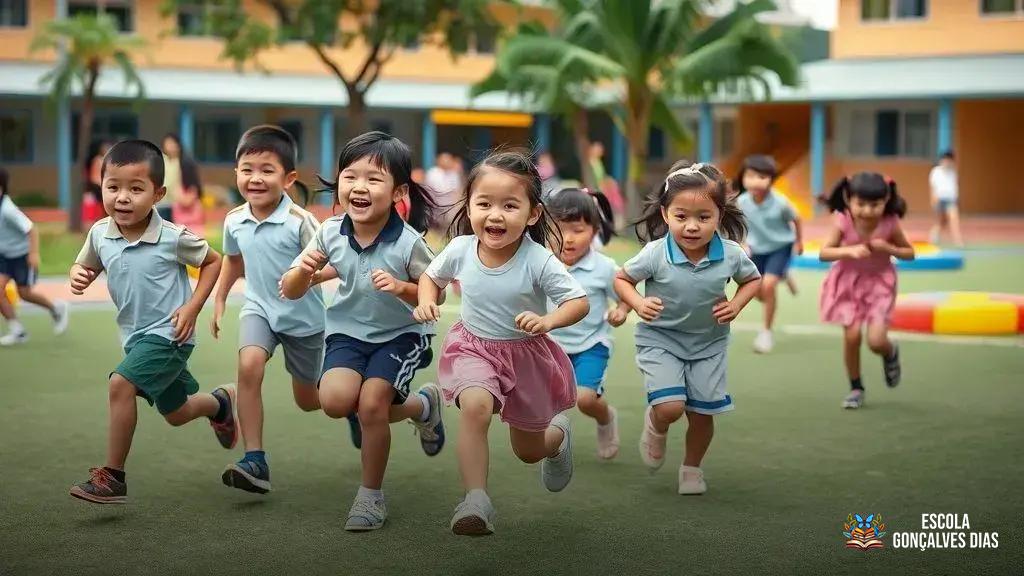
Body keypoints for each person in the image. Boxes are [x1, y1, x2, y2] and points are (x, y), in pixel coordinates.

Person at [414, 150, 589, 536]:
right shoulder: (460, 249)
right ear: (469, 206)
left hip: (525, 356)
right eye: (484, 204)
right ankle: (475, 500)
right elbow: (431, 277)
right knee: (475, 407)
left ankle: (558, 438)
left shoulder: (538, 260)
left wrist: (548, 320)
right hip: (473, 347)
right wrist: (426, 299)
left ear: (533, 214)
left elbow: (578, 302)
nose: (495, 215)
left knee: (528, 451)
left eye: (510, 205)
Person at [281, 131, 446, 532]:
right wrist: (304, 271)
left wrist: (403, 288)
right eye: (350, 176)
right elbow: (290, 288)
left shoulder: (408, 242)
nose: (359, 186)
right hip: (346, 333)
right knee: (336, 401)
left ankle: (370, 497)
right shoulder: (329, 231)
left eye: (374, 179)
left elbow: (436, 292)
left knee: (372, 406)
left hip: (401, 335)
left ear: (398, 192)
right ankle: (423, 407)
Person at [67, 140, 235, 504]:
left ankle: (113, 477)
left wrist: (192, 307)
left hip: (170, 334)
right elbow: (87, 264)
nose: (122, 197)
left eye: (135, 189)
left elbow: (213, 261)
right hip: (135, 338)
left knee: (120, 384)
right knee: (176, 412)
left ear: (158, 194)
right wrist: (78, 273)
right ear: (101, 186)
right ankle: (220, 404)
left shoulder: (172, 237)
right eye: (113, 187)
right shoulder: (100, 233)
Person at [614, 161, 761, 496]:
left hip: (709, 344)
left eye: (703, 217)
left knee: (702, 414)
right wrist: (637, 303)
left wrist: (736, 304)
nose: (692, 226)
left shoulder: (730, 254)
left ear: (719, 215)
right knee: (670, 408)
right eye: (681, 216)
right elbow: (622, 279)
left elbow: (752, 280)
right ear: (665, 215)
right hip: (660, 340)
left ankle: (692, 469)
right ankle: (656, 425)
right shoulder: (655, 253)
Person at [212, 125, 331, 495]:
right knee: (248, 367)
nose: (256, 178)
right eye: (247, 169)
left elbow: (330, 263)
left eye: (267, 170)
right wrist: (219, 299)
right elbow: (233, 260)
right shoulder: (234, 219)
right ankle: (255, 460)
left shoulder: (301, 222)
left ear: (289, 178)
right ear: (236, 173)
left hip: (304, 321)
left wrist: (309, 278)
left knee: (309, 401)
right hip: (259, 309)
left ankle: (355, 409)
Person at [546, 188, 630, 459]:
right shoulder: (542, 262)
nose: (568, 239)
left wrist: (621, 310)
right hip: (551, 346)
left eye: (578, 230)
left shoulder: (604, 267)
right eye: (559, 229)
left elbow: (625, 294)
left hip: (591, 344)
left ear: (594, 231)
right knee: (549, 403)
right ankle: (553, 446)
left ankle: (606, 418)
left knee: (584, 399)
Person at [819, 173, 915, 410]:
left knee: (876, 341)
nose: (867, 211)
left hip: (879, 284)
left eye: (875, 205)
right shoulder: (843, 220)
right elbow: (824, 253)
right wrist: (849, 251)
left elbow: (910, 253)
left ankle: (890, 352)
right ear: (848, 199)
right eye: (860, 204)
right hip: (848, 282)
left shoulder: (890, 222)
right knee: (852, 336)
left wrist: (889, 248)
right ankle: (856, 388)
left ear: (886, 200)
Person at [734, 155, 804, 354]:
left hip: (779, 247)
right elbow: (737, 225)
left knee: (768, 286)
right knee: (755, 291)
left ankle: (766, 332)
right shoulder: (741, 202)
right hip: (756, 250)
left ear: (772, 180)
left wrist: (799, 241)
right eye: (750, 176)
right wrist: (742, 243)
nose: (755, 182)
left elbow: (797, 219)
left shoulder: (781, 203)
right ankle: (783, 274)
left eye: (762, 177)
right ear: (743, 178)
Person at [0, 167, 69, 346]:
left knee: (24, 293)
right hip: (5, 256)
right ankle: (17, 331)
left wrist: (33, 253)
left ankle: (56, 309)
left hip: (21, 256)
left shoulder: (8, 209)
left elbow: (32, 229)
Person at [929, 151, 964, 247]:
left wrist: (957, 199)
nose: (947, 162)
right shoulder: (935, 171)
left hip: (950, 200)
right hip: (940, 199)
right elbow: (933, 187)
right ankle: (934, 236)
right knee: (941, 222)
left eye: (949, 160)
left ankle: (958, 240)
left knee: (954, 219)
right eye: (945, 159)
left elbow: (955, 186)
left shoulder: (953, 172)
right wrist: (933, 200)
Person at [425, 151, 462, 232]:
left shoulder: (453, 174)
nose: (446, 162)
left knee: (447, 228)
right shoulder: (432, 173)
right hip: (434, 206)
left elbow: (456, 191)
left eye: (448, 159)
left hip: (449, 206)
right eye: (444, 159)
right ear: (438, 160)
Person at [159, 133, 185, 223]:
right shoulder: (160, 159)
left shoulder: (181, 162)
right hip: (162, 202)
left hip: (176, 202)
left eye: (173, 144)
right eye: (169, 143)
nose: (171, 146)